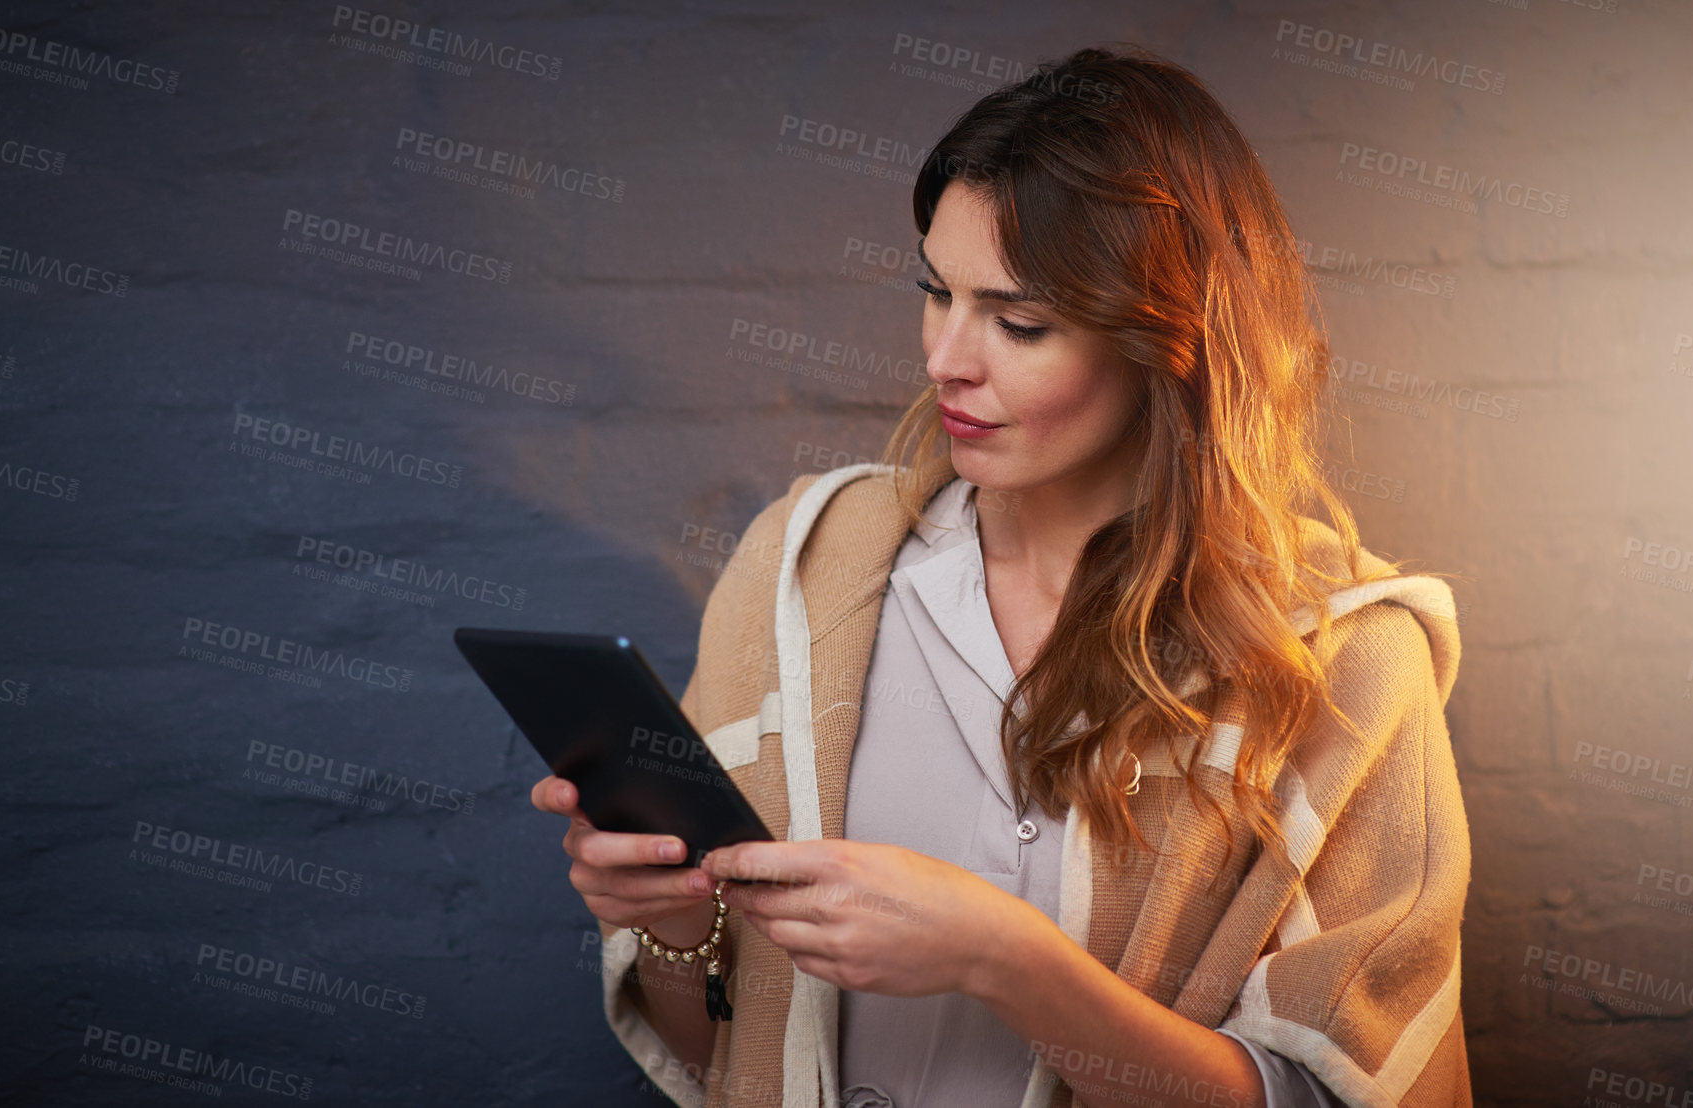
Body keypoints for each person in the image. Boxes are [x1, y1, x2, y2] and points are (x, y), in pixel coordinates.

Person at [532, 44, 1471, 1108]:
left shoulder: (1342, 658)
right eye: (938, 292)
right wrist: (673, 926)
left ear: (1169, 342)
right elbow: (722, 1061)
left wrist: (1005, 963)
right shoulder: (802, 569)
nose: (945, 358)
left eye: (1018, 322)